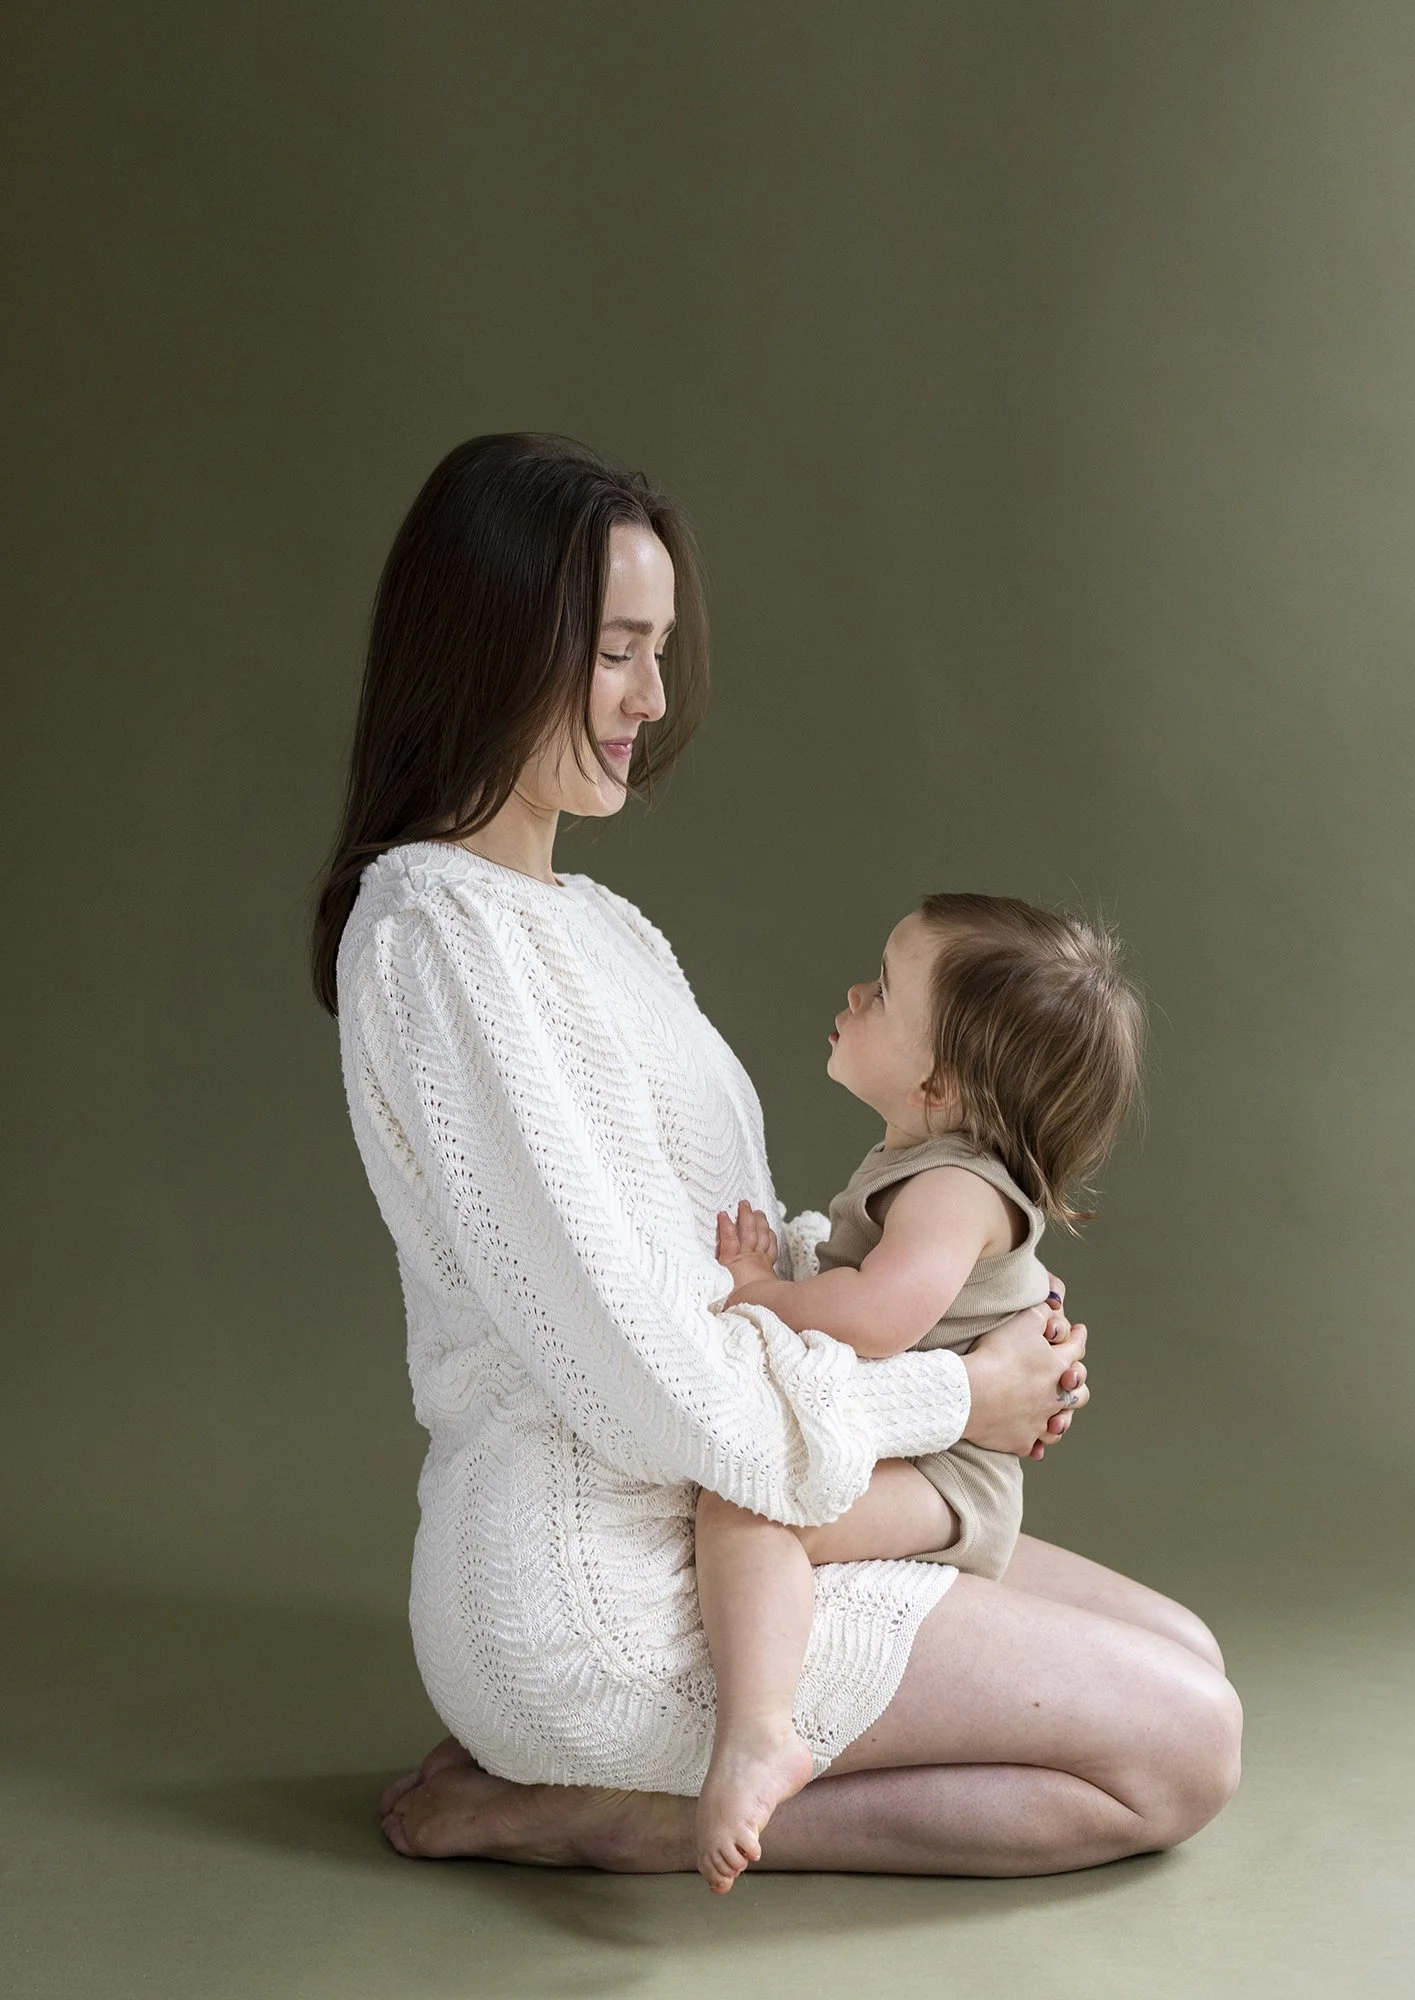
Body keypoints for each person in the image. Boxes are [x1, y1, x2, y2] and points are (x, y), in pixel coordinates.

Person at [312, 432, 1241, 1882]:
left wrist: (967, 1320)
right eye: (620, 650)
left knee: (1187, 1654)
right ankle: (607, 1811)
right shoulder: (438, 938)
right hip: (612, 1587)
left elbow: (736, 1268)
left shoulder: (604, 930)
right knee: (1185, 1748)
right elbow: (651, 1374)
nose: (655, 698)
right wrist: (951, 1391)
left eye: (660, 649)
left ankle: (652, 1796)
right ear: (496, 645)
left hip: (745, 1521)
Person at [692, 894, 1146, 1891]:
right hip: (940, 1445)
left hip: (952, 1471)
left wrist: (763, 1293)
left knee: (754, 1504)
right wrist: (808, 1255)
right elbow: (881, 1283)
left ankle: (760, 1734)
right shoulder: (930, 1163)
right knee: (759, 1498)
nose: (856, 992)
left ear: (940, 1081)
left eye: (885, 989)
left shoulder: (952, 1188)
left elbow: (878, 1319)